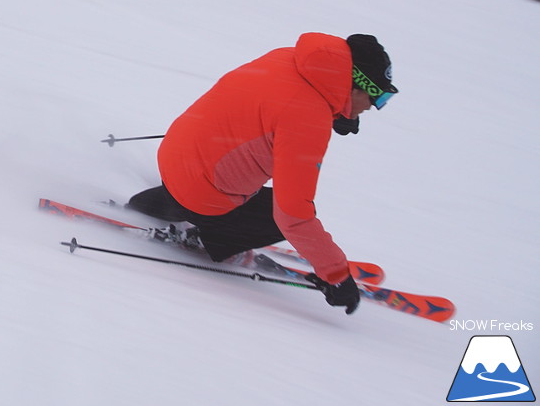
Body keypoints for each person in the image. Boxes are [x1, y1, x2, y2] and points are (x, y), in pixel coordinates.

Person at [127, 32, 398, 315]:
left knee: (224, 176)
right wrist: (336, 275)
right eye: (377, 98)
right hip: (200, 192)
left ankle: (164, 201)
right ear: (356, 86)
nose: (373, 107)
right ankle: (203, 237)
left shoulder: (287, 58)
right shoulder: (308, 119)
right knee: (278, 214)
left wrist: (335, 113)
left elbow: (269, 108)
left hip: (175, 153)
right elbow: (294, 215)